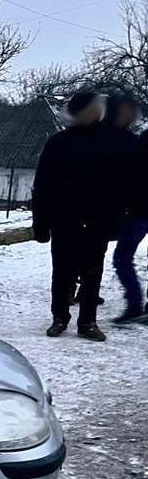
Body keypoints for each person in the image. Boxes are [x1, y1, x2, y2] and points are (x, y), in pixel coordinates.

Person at [32, 91, 129, 342]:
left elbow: (120, 186)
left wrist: (117, 220)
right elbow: (43, 185)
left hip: (98, 219)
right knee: (62, 271)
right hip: (64, 218)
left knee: (92, 272)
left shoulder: (111, 143)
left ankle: (88, 321)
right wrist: (41, 223)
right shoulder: (58, 143)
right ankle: (59, 317)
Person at [109, 95, 148, 324]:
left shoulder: (140, 142)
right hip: (139, 208)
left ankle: (134, 304)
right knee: (123, 258)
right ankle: (135, 304)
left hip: (139, 209)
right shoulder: (139, 141)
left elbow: (131, 175)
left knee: (123, 258)